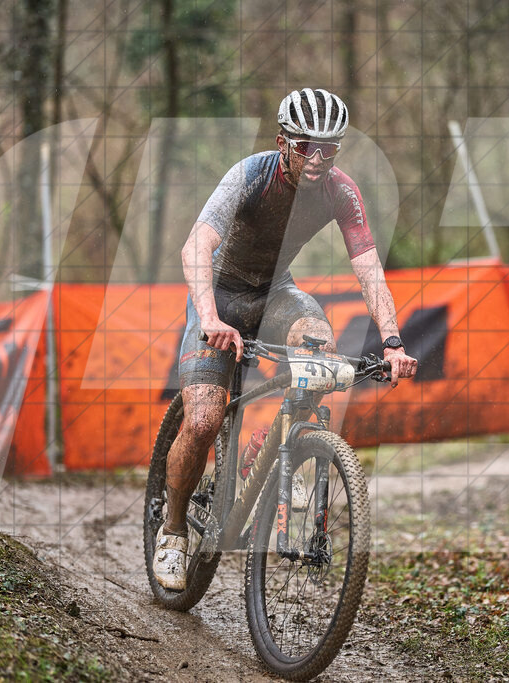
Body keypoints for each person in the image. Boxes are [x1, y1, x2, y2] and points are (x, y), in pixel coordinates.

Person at [154, 88, 419, 590]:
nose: (317, 158)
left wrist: (393, 342)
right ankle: (172, 531)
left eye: (329, 148)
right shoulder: (250, 175)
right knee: (205, 419)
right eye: (305, 146)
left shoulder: (341, 191)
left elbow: (369, 270)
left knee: (318, 336)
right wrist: (210, 317)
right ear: (282, 142)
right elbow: (197, 245)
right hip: (221, 294)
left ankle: (277, 446)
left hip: (274, 292)